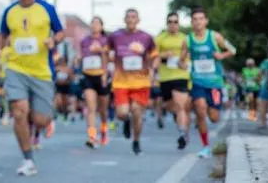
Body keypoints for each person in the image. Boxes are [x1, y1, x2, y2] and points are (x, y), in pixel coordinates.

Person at [0, 0, 65, 177]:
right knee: (19, 112)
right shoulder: (9, 11)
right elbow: (3, 34)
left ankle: (45, 121)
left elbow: (60, 32)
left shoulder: (47, 9)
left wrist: (54, 41)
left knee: (40, 119)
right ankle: (28, 159)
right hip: (16, 69)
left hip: (41, 71)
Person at [182, 6, 235, 158]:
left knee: (214, 117)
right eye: (195, 19)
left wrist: (221, 55)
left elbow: (233, 49)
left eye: (201, 19)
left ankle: (211, 117)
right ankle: (205, 146)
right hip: (198, 82)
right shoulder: (188, 40)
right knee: (200, 109)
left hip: (215, 83)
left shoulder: (215, 36)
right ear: (192, 22)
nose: (198, 22)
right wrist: (182, 64)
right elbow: (181, 59)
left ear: (206, 21)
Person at [107, 8, 156, 155]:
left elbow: (154, 55)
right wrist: (109, 61)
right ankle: (126, 121)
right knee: (122, 113)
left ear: (138, 20)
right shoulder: (115, 36)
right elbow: (107, 51)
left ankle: (136, 141)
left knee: (136, 111)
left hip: (141, 82)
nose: (130, 20)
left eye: (133, 17)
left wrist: (152, 68)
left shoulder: (146, 37)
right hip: (121, 81)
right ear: (124, 19)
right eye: (128, 17)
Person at [154, 12, 191, 150]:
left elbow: (190, 54)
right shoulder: (160, 39)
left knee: (180, 105)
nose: (173, 24)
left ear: (179, 24)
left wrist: (185, 63)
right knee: (171, 106)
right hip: (165, 77)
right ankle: (179, 120)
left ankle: (182, 134)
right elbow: (153, 55)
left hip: (181, 75)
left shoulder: (185, 38)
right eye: (170, 21)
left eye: (176, 21)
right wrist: (164, 54)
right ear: (166, 23)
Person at [80, 16, 111, 148]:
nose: (94, 25)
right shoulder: (85, 41)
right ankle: (92, 136)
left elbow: (109, 57)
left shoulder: (106, 40)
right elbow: (82, 56)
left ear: (102, 27)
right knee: (91, 108)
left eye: (97, 23)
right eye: (92, 23)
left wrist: (105, 73)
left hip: (102, 76)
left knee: (103, 109)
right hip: (88, 75)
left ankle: (104, 129)